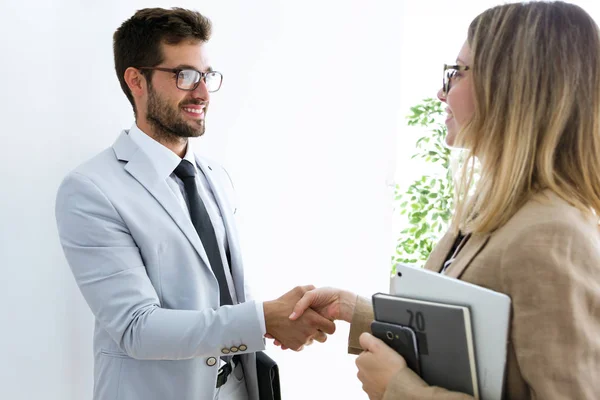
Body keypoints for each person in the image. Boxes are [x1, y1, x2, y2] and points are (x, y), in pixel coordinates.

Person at [288, 2, 600, 399]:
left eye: (456, 73)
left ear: (509, 85)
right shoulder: (494, 211)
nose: (441, 92)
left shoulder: (553, 233)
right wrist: (357, 311)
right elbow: (473, 342)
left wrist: (398, 388)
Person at [54, 7, 334, 400]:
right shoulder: (91, 189)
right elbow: (137, 328)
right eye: (184, 76)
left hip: (238, 386)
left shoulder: (215, 176)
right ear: (136, 80)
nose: (201, 92)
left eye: (206, 76)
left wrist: (282, 320)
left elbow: (222, 292)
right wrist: (261, 320)